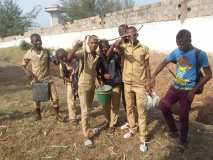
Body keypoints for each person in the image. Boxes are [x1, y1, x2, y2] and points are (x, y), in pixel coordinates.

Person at [151, 29, 212, 152]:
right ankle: (173, 131)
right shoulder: (177, 51)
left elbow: (208, 74)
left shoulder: (200, 54)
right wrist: (153, 76)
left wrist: (194, 90)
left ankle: (183, 141)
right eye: (177, 44)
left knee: (183, 116)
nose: (179, 47)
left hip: (188, 90)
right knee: (164, 105)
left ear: (189, 40)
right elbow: (164, 62)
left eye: (182, 44)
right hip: (175, 87)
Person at [108, 26, 152, 152]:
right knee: (129, 108)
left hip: (140, 84)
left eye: (133, 34)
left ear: (137, 34)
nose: (131, 36)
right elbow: (111, 51)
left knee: (141, 110)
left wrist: (149, 81)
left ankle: (143, 138)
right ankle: (133, 128)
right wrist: (120, 40)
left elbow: (147, 67)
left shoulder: (144, 48)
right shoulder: (124, 47)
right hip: (127, 83)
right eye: (128, 34)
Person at [22, 33, 64, 122]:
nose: (38, 42)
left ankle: (57, 115)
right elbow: (23, 65)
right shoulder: (29, 53)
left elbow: (54, 61)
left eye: (39, 40)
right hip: (36, 80)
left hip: (47, 79)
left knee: (55, 98)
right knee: (37, 99)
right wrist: (28, 73)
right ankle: (38, 115)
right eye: (36, 41)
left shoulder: (46, 52)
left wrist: (58, 60)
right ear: (32, 42)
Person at [67, 35, 100, 147]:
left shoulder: (97, 54)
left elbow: (94, 70)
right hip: (83, 85)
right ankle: (87, 134)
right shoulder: (83, 53)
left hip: (91, 85)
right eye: (92, 43)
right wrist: (76, 47)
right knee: (85, 110)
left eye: (96, 43)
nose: (94, 45)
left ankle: (87, 127)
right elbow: (69, 58)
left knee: (88, 108)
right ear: (88, 43)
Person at [96, 39, 122, 133]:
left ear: (109, 45)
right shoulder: (99, 58)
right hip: (105, 86)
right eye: (101, 47)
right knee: (105, 105)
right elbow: (97, 72)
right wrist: (102, 76)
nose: (103, 49)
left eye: (105, 47)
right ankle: (108, 120)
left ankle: (112, 124)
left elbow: (121, 65)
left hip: (116, 83)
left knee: (115, 105)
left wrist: (117, 47)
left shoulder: (116, 55)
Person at [55, 48, 79, 125]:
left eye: (65, 56)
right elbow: (63, 76)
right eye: (61, 58)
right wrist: (71, 81)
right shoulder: (62, 65)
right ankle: (73, 118)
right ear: (59, 59)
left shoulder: (75, 59)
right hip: (70, 83)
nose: (64, 59)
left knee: (83, 98)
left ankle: (86, 113)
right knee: (71, 101)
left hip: (80, 81)